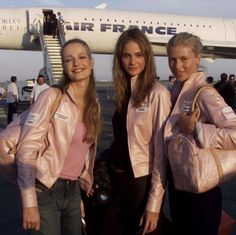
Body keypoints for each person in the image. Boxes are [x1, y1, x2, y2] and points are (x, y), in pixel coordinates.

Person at [16, 38, 101, 235]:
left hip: (72, 191)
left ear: (91, 62)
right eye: (68, 60)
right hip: (45, 188)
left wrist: (78, 195)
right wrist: (29, 203)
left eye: (81, 57)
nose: (76, 64)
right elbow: (26, 149)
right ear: (63, 66)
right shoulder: (52, 97)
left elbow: (83, 154)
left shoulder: (93, 103)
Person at [101, 28, 171, 235]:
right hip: (117, 177)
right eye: (126, 55)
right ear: (119, 59)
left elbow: (161, 154)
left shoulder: (158, 94)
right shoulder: (124, 92)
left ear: (147, 57)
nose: (133, 61)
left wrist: (154, 203)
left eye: (139, 55)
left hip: (142, 181)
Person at [164, 32, 236, 235]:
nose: (177, 66)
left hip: (201, 191)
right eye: (172, 59)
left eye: (184, 59)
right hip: (179, 187)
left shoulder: (204, 93)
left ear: (197, 58)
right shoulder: (174, 91)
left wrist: (196, 129)